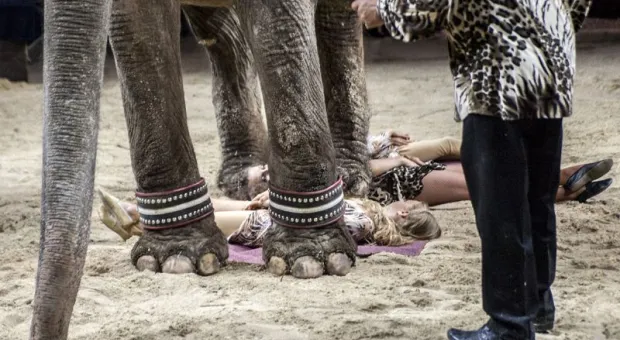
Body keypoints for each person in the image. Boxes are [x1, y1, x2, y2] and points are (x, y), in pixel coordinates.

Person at [351, 0, 594, 339]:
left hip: (496, 79)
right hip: (549, 72)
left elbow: (441, 5)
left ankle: (508, 325)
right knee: (535, 199)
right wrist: (547, 31)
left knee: (501, 210)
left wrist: (385, 10)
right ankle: (536, 307)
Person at [96, 187, 442, 248]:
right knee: (211, 203)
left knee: (197, 221)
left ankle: (135, 218)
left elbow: (320, 217)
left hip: (269, 225)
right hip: (271, 215)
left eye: (408, 203)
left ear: (407, 212)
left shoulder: (365, 222)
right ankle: (136, 215)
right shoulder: (369, 217)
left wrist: (274, 205)